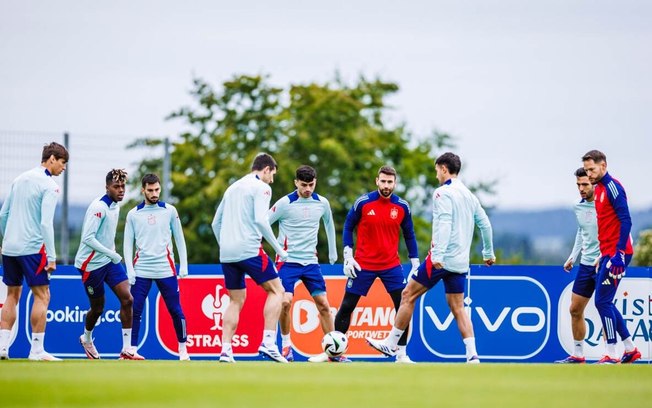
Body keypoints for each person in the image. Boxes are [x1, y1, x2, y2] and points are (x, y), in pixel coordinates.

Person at [366, 152, 495, 364]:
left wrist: (438, 255)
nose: (436, 175)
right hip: (461, 262)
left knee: (408, 294)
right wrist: (488, 253)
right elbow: (485, 225)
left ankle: (391, 343)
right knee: (458, 307)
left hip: (441, 259)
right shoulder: (470, 195)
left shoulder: (442, 193)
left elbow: (444, 224)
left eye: (437, 170)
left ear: (444, 168)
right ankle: (472, 355)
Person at [325, 165, 419, 364]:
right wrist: (348, 256)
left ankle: (401, 354)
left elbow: (409, 234)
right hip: (363, 265)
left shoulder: (402, 206)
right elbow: (348, 227)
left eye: (390, 182)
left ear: (395, 183)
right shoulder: (363, 203)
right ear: (377, 181)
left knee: (403, 305)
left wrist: (415, 263)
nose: (386, 185)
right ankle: (335, 354)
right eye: (383, 181)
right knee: (347, 306)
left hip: (391, 265)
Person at [211, 153, 289, 363]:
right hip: (249, 249)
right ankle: (269, 343)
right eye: (272, 175)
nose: (272, 180)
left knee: (235, 300)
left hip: (227, 253)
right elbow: (261, 221)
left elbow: (215, 224)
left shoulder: (232, 188)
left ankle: (226, 350)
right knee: (277, 291)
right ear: (266, 170)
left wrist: (226, 246)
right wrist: (279, 250)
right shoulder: (262, 187)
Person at [0, 142, 68, 361]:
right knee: (43, 295)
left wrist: (4, 241)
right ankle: (36, 351)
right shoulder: (50, 186)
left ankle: (2, 348)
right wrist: (51, 256)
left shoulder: (19, 179)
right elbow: (46, 224)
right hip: (32, 250)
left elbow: (3, 215)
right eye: (62, 162)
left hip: (9, 248)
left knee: (12, 295)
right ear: (51, 159)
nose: (64, 168)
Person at [267, 165, 338, 362]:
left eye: (311, 185)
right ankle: (287, 346)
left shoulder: (322, 203)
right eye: (304, 185)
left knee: (324, 304)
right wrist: (277, 248)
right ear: (296, 182)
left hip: (311, 263)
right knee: (285, 302)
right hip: (287, 262)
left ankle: (333, 352)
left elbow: (329, 225)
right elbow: (264, 223)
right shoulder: (284, 203)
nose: (308, 189)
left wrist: (333, 252)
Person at [582, 150, 640, 364]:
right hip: (608, 253)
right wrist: (602, 254)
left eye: (592, 169)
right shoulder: (597, 191)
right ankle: (630, 349)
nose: (589, 174)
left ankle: (612, 353)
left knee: (602, 301)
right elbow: (607, 226)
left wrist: (618, 254)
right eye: (587, 170)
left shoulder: (614, 188)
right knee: (606, 301)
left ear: (603, 166)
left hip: (618, 254)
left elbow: (626, 221)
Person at [124, 173, 190, 361]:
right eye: (150, 190)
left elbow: (179, 238)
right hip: (141, 268)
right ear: (143, 190)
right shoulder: (133, 214)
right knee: (134, 309)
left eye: (157, 190)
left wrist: (183, 265)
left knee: (175, 310)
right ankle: (131, 349)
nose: (154, 193)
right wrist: (129, 268)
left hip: (165, 268)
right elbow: (128, 244)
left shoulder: (170, 210)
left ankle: (183, 350)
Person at [74, 169, 134, 360]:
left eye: (123, 186)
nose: (121, 190)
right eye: (116, 187)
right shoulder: (98, 208)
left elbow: (106, 236)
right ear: (107, 187)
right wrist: (113, 253)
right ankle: (87, 338)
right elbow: (87, 239)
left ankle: (126, 350)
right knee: (98, 308)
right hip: (90, 265)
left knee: (128, 299)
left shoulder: (115, 205)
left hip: (108, 261)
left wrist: (111, 254)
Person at [555, 168, 601, 363]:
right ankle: (579, 354)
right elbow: (581, 232)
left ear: (594, 184)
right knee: (575, 309)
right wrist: (572, 256)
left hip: (604, 262)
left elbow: (619, 233)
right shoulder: (578, 206)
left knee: (604, 307)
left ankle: (614, 354)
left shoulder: (605, 205)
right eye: (578, 185)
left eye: (585, 185)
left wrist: (605, 256)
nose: (581, 189)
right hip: (586, 264)